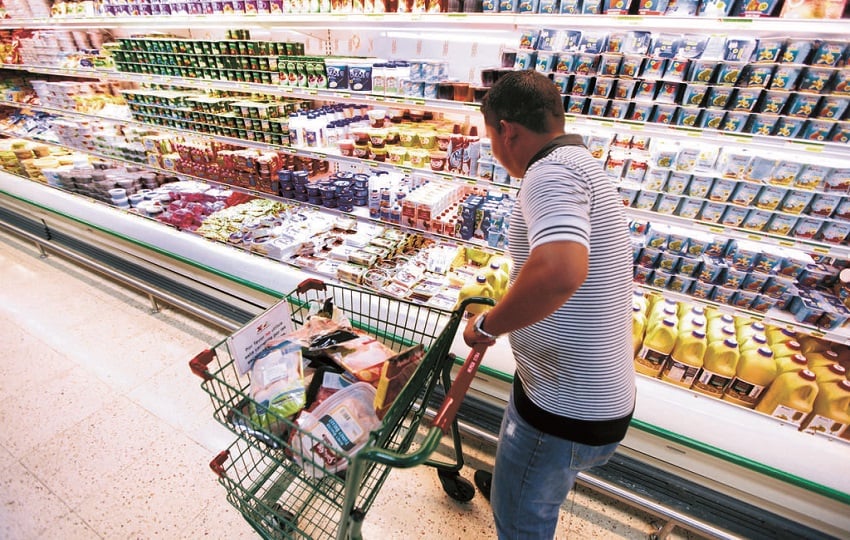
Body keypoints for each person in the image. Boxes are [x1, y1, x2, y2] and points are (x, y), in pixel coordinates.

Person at [462, 70, 636, 539]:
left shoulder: (550, 171)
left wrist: (487, 326)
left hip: (566, 406)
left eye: (490, 137)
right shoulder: (578, 161)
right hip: (579, 390)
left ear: (507, 131)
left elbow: (559, 271)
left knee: (520, 521)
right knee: (523, 494)